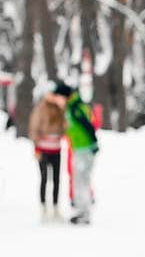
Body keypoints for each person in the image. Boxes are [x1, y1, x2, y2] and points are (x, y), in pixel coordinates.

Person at [46, 80, 98, 225]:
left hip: (85, 149)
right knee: (79, 180)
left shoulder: (76, 108)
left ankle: (84, 213)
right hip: (79, 149)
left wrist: (94, 144)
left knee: (81, 181)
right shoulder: (70, 107)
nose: (57, 101)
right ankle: (82, 211)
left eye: (58, 98)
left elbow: (88, 125)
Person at [28, 88, 66, 221]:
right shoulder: (40, 109)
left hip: (56, 149)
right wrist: (36, 147)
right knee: (44, 178)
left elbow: (64, 127)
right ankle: (43, 207)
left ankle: (55, 207)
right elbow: (33, 128)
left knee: (56, 179)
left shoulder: (59, 108)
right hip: (43, 149)